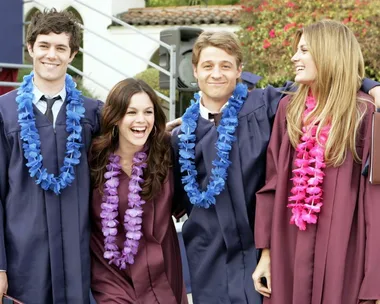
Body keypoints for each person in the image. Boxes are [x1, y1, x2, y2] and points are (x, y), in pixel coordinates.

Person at [170, 30, 380, 304]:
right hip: (208, 260)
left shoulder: (265, 106)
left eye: (226, 66)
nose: (216, 74)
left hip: (259, 256)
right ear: (194, 71)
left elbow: (331, 77)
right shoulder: (179, 138)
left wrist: (370, 84)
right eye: (208, 66)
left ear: (239, 71)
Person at [253, 20, 380, 304]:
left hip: (346, 253)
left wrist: (375, 280)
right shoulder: (289, 109)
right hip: (289, 246)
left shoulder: (364, 113)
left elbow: (376, 200)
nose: (293, 57)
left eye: (303, 50)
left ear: (328, 54)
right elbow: (272, 183)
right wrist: (266, 255)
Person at [0, 9, 102, 303]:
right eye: (44, 45)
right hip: (24, 262)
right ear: (30, 48)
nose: (51, 55)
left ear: (73, 55)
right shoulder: (4, 114)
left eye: (61, 48)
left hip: (78, 259)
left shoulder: (93, 113)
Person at [90, 78, 187, 304]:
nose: (141, 120)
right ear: (115, 117)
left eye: (148, 112)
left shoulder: (166, 152)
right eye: (131, 112)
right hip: (111, 275)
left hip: (162, 273)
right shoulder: (93, 158)